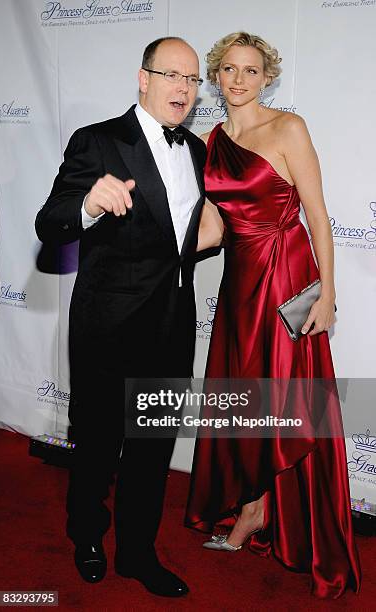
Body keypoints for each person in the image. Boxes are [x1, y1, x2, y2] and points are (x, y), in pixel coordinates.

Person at [186, 32, 361, 598]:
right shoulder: (212, 140)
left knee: (283, 398)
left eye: (252, 70)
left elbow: (318, 215)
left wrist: (327, 293)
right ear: (216, 75)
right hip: (240, 283)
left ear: (267, 77)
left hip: (288, 278)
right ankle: (256, 507)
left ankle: (257, 513)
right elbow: (214, 227)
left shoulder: (289, 128)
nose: (239, 80)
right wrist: (150, 245)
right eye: (229, 70)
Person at [35, 36, 209, 598]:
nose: (183, 88)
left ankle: (137, 553)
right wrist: (88, 204)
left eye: (192, 79)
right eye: (171, 75)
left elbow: (183, 236)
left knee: (152, 451)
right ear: (143, 77)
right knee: (97, 446)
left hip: (172, 325)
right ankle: (87, 537)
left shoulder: (199, 152)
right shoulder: (99, 141)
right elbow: (51, 222)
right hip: (108, 325)